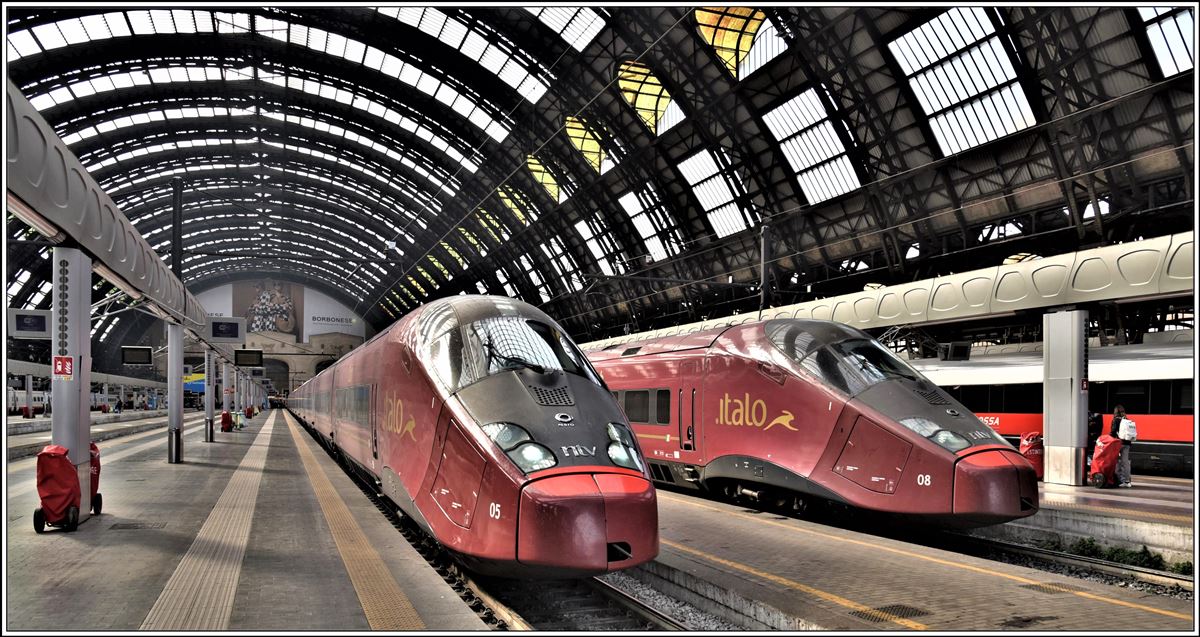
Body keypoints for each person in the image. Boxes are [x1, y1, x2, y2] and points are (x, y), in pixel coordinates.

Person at [1108, 404, 1134, 487]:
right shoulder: (1126, 419)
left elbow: (1113, 432)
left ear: (1115, 412)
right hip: (1127, 443)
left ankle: (1119, 479)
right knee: (1125, 462)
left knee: (1116, 461)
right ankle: (1127, 481)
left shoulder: (1116, 420)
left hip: (1118, 443)